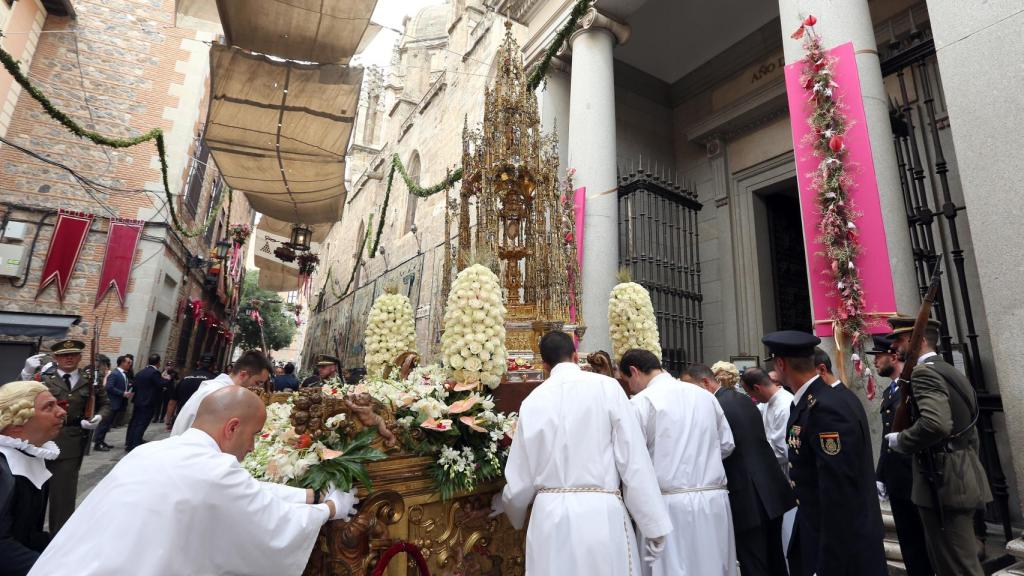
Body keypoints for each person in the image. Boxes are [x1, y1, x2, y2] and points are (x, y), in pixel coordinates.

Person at [28, 385, 357, 576]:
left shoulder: (152, 451)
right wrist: (331, 509)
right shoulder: (214, 470)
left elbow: (245, 492)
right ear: (232, 428)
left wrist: (308, 497)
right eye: (254, 435)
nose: (252, 446)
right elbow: (271, 523)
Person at [496, 331, 671, 575]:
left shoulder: (532, 402)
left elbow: (520, 479)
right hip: (601, 515)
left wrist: (514, 514)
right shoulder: (607, 388)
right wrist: (653, 524)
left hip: (550, 517)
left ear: (544, 365)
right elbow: (633, 461)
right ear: (576, 356)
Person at [763, 330, 886, 576]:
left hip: (839, 548)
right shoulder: (814, 401)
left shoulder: (824, 407)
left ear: (781, 364)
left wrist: (828, 564)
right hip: (820, 532)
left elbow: (838, 491)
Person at [884, 315, 990, 576]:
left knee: (955, 565)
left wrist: (901, 440)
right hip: (959, 473)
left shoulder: (924, 372)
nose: (894, 346)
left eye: (899, 340)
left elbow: (936, 424)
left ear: (917, 340)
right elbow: (969, 432)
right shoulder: (949, 371)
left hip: (942, 481)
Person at [621, 351, 736, 576]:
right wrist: (700, 463)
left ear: (634, 371)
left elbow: (633, 461)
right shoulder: (705, 396)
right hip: (712, 500)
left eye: (627, 381)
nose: (630, 388)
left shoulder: (641, 402)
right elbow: (726, 444)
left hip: (667, 504)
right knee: (712, 565)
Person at [686, 363, 795, 576]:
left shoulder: (715, 406)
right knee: (774, 556)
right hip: (770, 489)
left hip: (745, 494)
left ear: (705, 383)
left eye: (690, 387)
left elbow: (722, 448)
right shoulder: (741, 399)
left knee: (752, 560)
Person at [868, 334, 933, 576]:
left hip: (915, 476)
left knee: (923, 542)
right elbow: (888, 439)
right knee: (909, 542)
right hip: (897, 479)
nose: (875, 362)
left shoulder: (912, 386)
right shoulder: (890, 392)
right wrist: (881, 475)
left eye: (879, 356)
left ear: (893, 357)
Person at [37, 339, 111, 534]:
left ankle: (58, 538)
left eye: (73, 354)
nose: (68, 358)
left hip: (71, 443)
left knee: (63, 496)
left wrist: (98, 417)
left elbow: (105, 404)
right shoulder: (44, 379)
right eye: (63, 355)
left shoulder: (90, 381)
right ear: (56, 358)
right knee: (35, 494)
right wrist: (26, 374)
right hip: (41, 441)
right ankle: (32, 536)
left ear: (79, 357)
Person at [0, 381, 67, 576]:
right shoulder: (3, 469)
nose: (62, 412)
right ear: (16, 426)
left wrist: (68, 546)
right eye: (49, 407)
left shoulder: (28, 457)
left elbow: (27, 534)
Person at [170, 350, 272, 436]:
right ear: (243, 375)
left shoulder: (220, 388)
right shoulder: (221, 394)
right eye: (257, 383)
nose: (258, 388)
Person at [740, 367, 794, 474]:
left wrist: (754, 455)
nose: (751, 397)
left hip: (784, 470)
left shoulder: (784, 406)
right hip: (772, 464)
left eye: (748, 393)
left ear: (757, 388)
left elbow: (783, 452)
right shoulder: (767, 401)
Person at [124, 354, 170, 451]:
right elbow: (160, 384)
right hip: (148, 402)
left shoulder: (141, 372)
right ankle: (135, 444)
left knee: (134, 422)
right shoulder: (154, 373)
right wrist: (167, 380)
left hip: (138, 401)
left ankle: (129, 442)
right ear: (158, 363)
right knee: (142, 423)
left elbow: (135, 385)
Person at [93, 355, 133, 452]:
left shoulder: (123, 374)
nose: (130, 365)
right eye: (128, 362)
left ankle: (102, 441)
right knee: (104, 424)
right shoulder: (115, 373)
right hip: (111, 403)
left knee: (108, 424)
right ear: (122, 363)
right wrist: (122, 393)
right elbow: (109, 387)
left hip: (117, 403)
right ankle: (98, 443)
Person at [165, 354, 216, 431]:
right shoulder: (215, 380)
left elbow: (172, 402)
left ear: (198, 363)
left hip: (181, 421)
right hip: (201, 424)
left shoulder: (185, 378)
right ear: (214, 365)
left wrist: (168, 421)